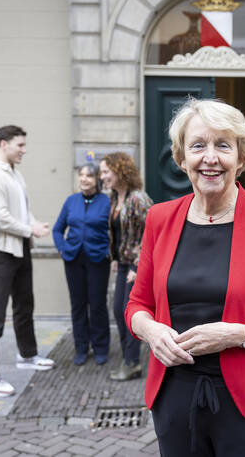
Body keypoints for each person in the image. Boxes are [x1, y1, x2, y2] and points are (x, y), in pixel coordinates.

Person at [125, 99, 245, 456]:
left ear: (240, 158)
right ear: (181, 158)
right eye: (198, 146)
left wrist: (236, 335)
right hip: (174, 396)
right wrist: (150, 331)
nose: (210, 158)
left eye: (223, 146)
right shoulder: (160, 218)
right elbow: (137, 304)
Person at [0, 125, 55, 398]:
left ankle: (27, 355)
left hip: (20, 247)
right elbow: (0, 218)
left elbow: (23, 212)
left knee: (24, 305)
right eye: (19, 145)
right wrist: (30, 229)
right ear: (3, 144)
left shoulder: (14, 174)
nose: (24, 150)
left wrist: (34, 224)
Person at [99, 152, 153, 381]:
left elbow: (152, 234)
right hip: (122, 263)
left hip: (135, 265)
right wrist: (114, 257)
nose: (102, 177)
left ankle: (132, 363)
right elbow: (117, 233)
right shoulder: (115, 197)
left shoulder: (138, 199)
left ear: (119, 170)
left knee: (128, 313)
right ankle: (129, 359)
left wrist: (137, 266)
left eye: (106, 172)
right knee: (118, 312)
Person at [52, 163, 112, 366]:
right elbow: (57, 229)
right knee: (78, 305)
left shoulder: (106, 201)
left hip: (98, 260)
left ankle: (101, 347)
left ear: (97, 180)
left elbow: (115, 230)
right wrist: (62, 248)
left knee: (97, 304)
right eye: (82, 175)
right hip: (73, 259)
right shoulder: (71, 201)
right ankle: (81, 347)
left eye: (89, 175)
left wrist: (109, 251)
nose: (84, 179)